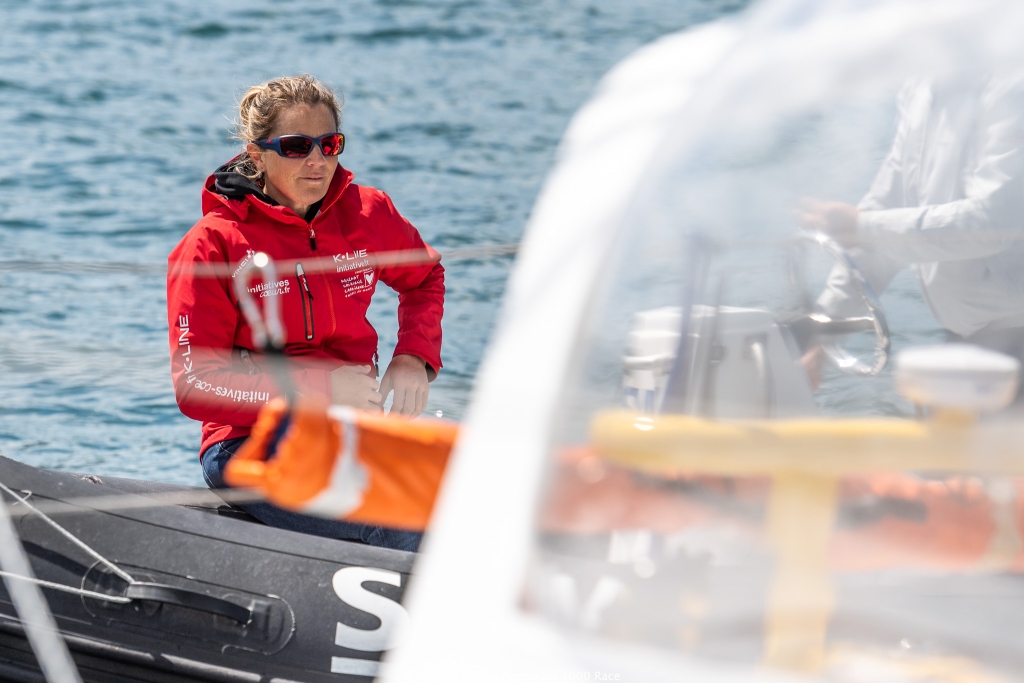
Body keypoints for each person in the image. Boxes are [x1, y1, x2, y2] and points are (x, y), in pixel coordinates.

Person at [166, 75, 444, 551]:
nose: (318, 161)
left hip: (356, 433)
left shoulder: (370, 213)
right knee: (403, 528)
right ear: (257, 155)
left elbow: (424, 278)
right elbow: (197, 385)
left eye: (329, 144)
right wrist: (319, 390)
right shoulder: (211, 244)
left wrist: (413, 357)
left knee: (475, 500)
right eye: (297, 147)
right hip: (249, 443)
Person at [799, 75, 1024, 380]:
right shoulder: (919, 90)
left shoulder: (1011, 87)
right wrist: (826, 330)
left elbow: (992, 222)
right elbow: (883, 212)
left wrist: (864, 229)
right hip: (969, 345)